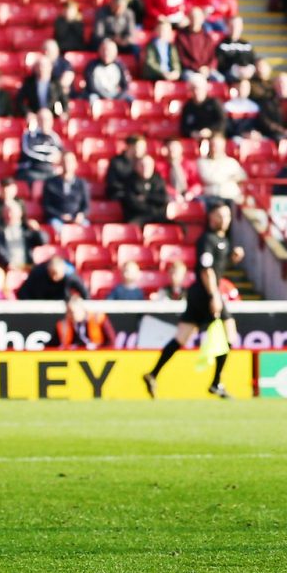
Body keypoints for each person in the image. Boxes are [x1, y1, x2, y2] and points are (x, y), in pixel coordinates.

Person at [145, 201, 242, 399]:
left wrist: (231, 259)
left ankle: (153, 373)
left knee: (181, 337)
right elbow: (206, 271)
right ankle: (216, 382)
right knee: (229, 333)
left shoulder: (222, 240)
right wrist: (214, 296)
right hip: (206, 293)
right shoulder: (207, 239)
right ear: (211, 217)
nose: (225, 220)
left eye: (227, 216)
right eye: (221, 216)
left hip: (199, 294)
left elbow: (217, 267)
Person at [42, 151, 91, 229]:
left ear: (75, 164)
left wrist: (81, 215)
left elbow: (86, 206)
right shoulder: (50, 183)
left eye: (70, 161)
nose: (67, 164)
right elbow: (47, 206)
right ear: (60, 163)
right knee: (56, 227)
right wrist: (60, 215)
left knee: (86, 227)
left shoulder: (81, 184)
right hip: (57, 219)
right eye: (64, 161)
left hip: (76, 218)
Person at [15, 109, 63, 188]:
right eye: (42, 119)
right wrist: (47, 158)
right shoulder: (29, 135)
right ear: (37, 120)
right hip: (32, 170)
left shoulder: (54, 137)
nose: (45, 122)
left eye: (47, 119)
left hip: (49, 171)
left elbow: (60, 153)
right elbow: (27, 152)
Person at [119, 155, 170, 225]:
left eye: (148, 165)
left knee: (177, 226)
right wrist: (152, 205)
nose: (145, 168)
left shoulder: (158, 180)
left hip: (157, 216)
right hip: (138, 216)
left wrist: (146, 197)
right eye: (142, 165)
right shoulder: (130, 181)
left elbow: (163, 198)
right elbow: (132, 202)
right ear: (136, 167)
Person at [17, 251, 86, 301]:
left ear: (63, 271)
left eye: (56, 274)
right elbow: (23, 292)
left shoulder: (70, 276)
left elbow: (84, 293)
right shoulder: (37, 273)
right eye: (52, 273)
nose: (54, 277)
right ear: (48, 269)